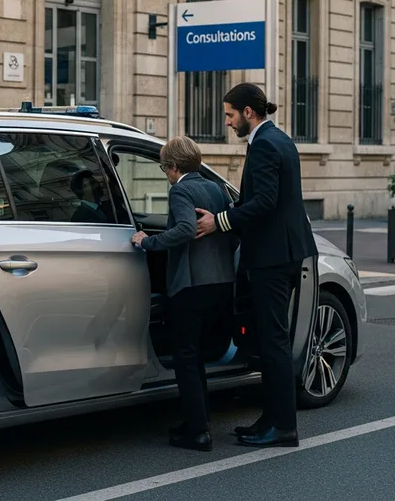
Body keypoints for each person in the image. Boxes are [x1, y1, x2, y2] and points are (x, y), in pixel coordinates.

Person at [195, 83, 318, 449]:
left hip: (272, 257)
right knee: (269, 340)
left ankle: (282, 427)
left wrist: (221, 221)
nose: (229, 123)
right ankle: (272, 418)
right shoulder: (280, 139)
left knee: (274, 342)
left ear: (249, 112)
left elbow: (264, 202)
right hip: (285, 252)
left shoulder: (264, 144)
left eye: (231, 114)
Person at [130, 136, 237, 452]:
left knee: (186, 359)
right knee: (198, 357)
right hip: (221, 284)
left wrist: (146, 242)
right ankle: (196, 422)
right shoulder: (215, 189)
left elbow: (185, 230)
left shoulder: (180, 190)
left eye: (164, 167)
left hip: (190, 286)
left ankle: (199, 432)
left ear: (174, 167)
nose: (165, 173)